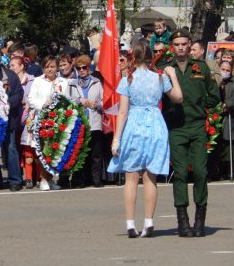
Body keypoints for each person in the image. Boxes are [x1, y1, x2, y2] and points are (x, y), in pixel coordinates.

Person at [108, 40, 183, 238]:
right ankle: (149, 222)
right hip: (156, 125)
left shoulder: (128, 80)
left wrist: (117, 138)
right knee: (151, 176)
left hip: (134, 124)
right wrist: (173, 77)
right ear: (150, 57)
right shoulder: (159, 78)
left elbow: (122, 112)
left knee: (131, 177)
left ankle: (131, 224)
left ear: (133, 58)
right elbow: (178, 97)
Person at [156, 29, 220, 238]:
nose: (181, 48)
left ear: (189, 45)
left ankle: (200, 219)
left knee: (201, 172)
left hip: (197, 126)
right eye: (177, 44)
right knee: (181, 174)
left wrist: (201, 107)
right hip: (176, 128)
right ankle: (182, 221)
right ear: (172, 46)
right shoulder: (164, 69)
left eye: (185, 44)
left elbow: (214, 95)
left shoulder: (200, 67)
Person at [0, 47, 24, 192]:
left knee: (11, 148)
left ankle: (15, 181)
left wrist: (6, 105)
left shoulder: (10, 76)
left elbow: (18, 94)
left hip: (8, 120)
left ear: (0, 60)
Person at [28, 55, 68, 191]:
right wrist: (43, 105)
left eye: (52, 66)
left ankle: (50, 179)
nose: (49, 70)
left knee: (55, 150)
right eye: (46, 67)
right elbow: (31, 99)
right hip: (42, 119)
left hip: (58, 119)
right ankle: (43, 178)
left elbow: (67, 98)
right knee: (43, 151)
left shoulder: (63, 81)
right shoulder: (38, 81)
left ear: (56, 67)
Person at [68, 55, 105, 187]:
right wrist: (79, 100)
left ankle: (97, 179)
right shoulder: (72, 84)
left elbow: (104, 101)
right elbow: (68, 100)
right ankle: (82, 180)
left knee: (96, 153)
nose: (82, 70)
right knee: (81, 152)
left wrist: (96, 104)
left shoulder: (96, 82)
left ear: (89, 67)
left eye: (84, 67)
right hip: (80, 123)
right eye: (79, 68)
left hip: (95, 122)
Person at [9, 56, 38, 189]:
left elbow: (34, 96)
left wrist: (25, 101)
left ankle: (32, 177)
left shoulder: (32, 80)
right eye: (10, 65)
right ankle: (18, 175)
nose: (11, 68)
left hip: (28, 118)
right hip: (16, 116)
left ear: (21, 66)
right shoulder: (9, 79)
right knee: (15, 147)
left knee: (29, 149)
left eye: (13, 65)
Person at [219, 61, 234, 180]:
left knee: (231, 145)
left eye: (228, 70)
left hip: (230, 117)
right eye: (223, 69)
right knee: (219, 144)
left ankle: (229, 169)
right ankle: (219, 170)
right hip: (217, 115)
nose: (225, 72)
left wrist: (227, 104)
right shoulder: (216, 80)